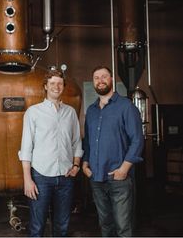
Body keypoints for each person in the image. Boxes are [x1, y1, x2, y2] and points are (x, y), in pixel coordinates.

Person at [18, 69, 83, 237]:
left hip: (66, 176)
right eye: (52, 83)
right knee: (37, 227)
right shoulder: (33, 112)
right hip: (41, 177)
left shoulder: (70, 113)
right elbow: (26, 148)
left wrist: (76, 165)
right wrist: (27, 179)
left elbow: (77, 142)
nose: (56, 86)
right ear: (45, 87)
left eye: (60, 83)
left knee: (62, 227)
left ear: (63, 87)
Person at [82, 66, 144, 237]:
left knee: (123, 226)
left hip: (119, 178)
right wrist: (85, 163)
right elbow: (88, 141)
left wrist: (124, 169)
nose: (100, 80)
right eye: (96, 78)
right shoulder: (92, 111)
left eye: (104, 77)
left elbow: (137, 140)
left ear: (111, 80)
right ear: (93, 82)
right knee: (105, 224)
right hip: (96, 177)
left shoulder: (126, 106)